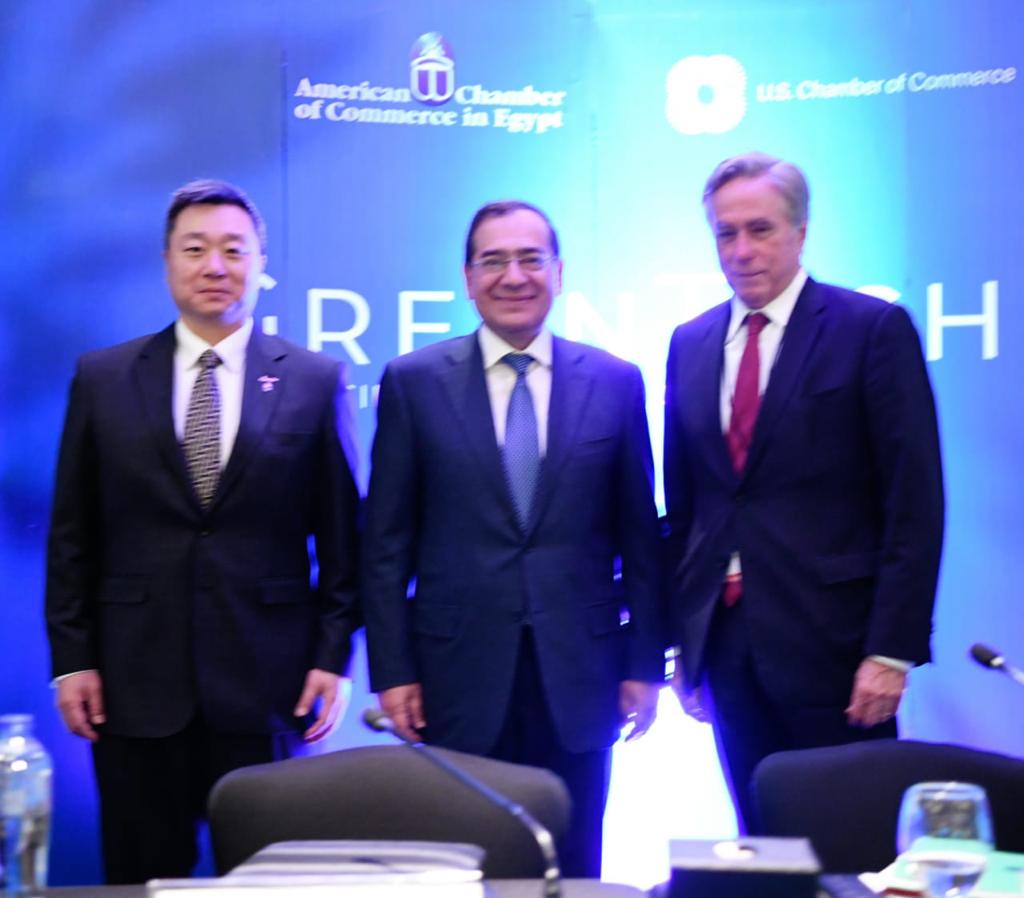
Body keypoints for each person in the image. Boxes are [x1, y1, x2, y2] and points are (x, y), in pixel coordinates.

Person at [45, 179, 361, 883]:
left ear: (260, 262)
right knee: (140, 877)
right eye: (195, 249)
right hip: (133, 684)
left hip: (271, 684)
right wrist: (73, 659)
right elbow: (72, 534)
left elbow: (345, 542)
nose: (214, 265)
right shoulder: (103, 378)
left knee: (274, 883)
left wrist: (332, 657)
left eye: (233, 249)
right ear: (167, 262)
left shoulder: (314, 380)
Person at [361, 200, 665, 877]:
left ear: (559, 272)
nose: (514, 276)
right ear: (468, 278)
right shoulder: (414, 383)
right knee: (466, 868)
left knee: (574, 864)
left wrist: (645, 665)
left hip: (582, 674)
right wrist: (393, 670)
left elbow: (641, 539)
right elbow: (385, 544)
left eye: (531, 259)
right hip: (455, 676)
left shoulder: (615, 381)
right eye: (493, 261)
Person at [663, 152, 944, 830]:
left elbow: (914, 504)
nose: (742, 250)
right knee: (760, 847)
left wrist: (890, 652)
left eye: (760, 229)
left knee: (850, 850)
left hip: (839, 654)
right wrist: (684, 646)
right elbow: (689, 507)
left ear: (801, 231)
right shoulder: (690, 342)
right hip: (727, 650)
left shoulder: (870, 330)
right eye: (726, 233)